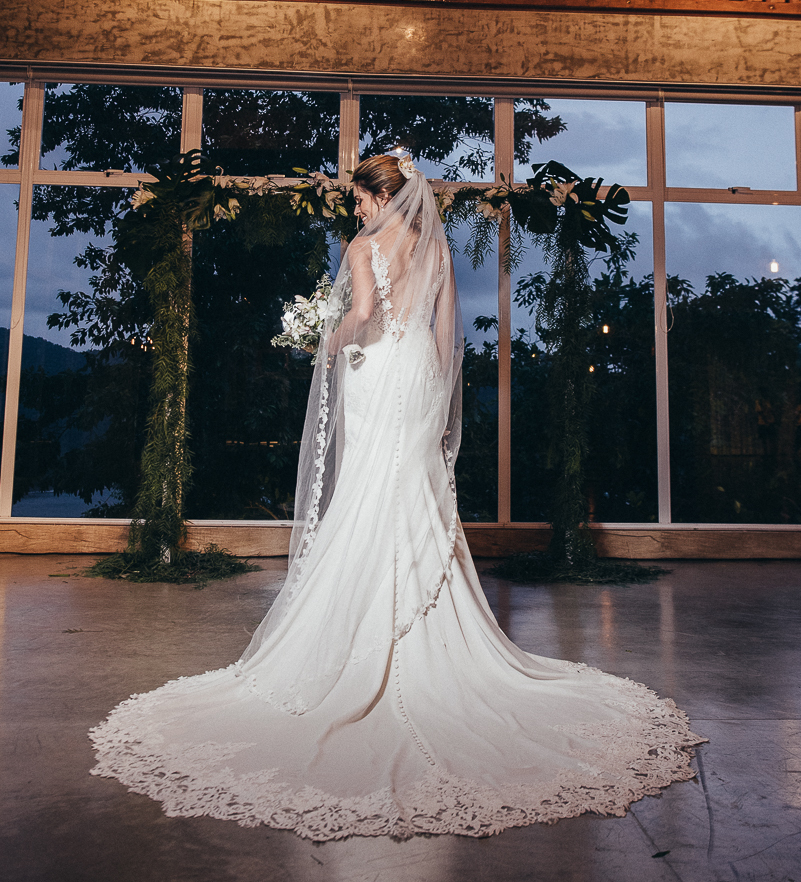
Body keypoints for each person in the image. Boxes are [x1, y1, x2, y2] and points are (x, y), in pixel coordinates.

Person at [90, 154, 702, 840]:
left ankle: (364, 635)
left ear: (380, 194)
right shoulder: (434, 246)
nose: (354, 210)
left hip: (378, 373)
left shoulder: (361, 246)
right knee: (412, 488)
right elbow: (445, 334)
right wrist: (440, 399)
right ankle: (421, 626)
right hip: (420, 379)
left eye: (357, 197)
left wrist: (320, 337)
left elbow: (360, 317)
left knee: (367, 489)